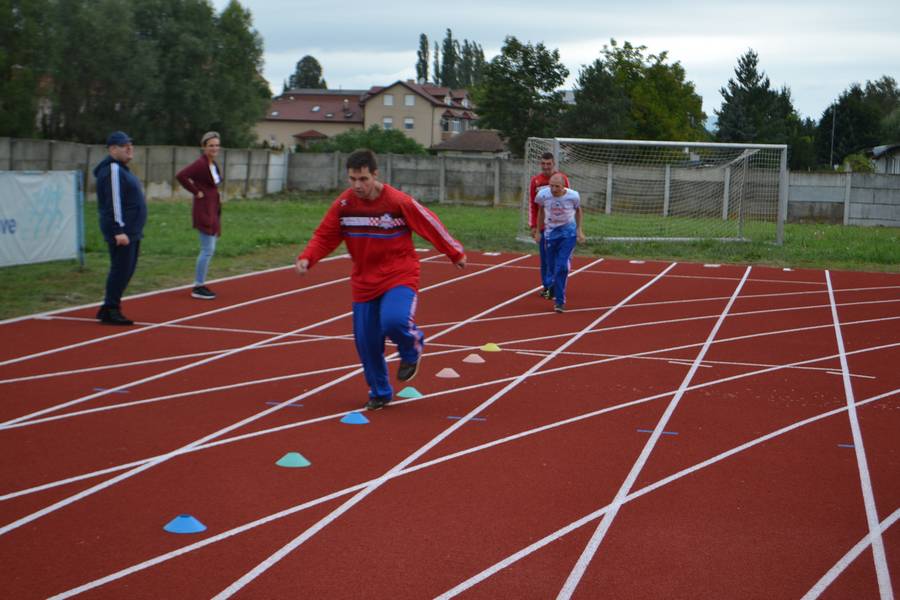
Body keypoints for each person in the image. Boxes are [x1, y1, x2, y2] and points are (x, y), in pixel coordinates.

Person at [295, 149, 466, 411]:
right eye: (352, 179)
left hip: (399, 274)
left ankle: (412, 348)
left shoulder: (397, 202)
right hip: (364, 281)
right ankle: (380, 392)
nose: (357, 185)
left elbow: (429, 223)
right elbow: (325, 236)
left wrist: (454, 252)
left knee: (394, 321)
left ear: (375, 175)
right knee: (366, 342)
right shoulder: (344, 205)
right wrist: (308, 257)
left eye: (363, 179)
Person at [94, 131, 147, 325]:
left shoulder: (122, 169)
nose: (129, 148)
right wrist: (118, 230)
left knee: (127, 269)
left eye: (130, 144)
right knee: (121, 270)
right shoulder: (113, 170)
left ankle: (109, 306)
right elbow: (113, 202)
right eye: (124, 145)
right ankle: (111, 308)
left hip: (132, 230)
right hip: (123, 230)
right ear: (112, 149)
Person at [176, 131, 223, 299]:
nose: (214, 148)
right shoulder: (200, 164)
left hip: (213, 209)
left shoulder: (213, 164)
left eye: (217, 145)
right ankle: (198, 286)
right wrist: (196, 192)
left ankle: (200, 283)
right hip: (204, 210)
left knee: (210, 248)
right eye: (211, 145)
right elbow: (181, 176)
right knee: (207, 250)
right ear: (204, 147)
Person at [533, 172, 585, 313]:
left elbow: (578, 211)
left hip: (568, 235)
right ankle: (554, 285)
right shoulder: (543, 195)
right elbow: (541, 211)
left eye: (557, 186)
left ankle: (560, 302)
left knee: (561, 267)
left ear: (563, 186)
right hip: (550, 234)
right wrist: (538, 231)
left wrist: (579, 230)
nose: (554, 189)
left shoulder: (573, 196)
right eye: (551, 186)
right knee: (551, 267)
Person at [529, 152, 569, 300]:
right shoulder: (536, 181)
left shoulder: (562, 178)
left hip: (560, 226)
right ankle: (547, 287)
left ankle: (557, 286)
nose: (546, 167)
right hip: (544, 227)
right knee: (545, 259)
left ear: (553, 164)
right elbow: (533, 205)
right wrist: (534, 226)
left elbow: (568, 202)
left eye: (548, 164)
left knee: (559, 260)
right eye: (543, 164)